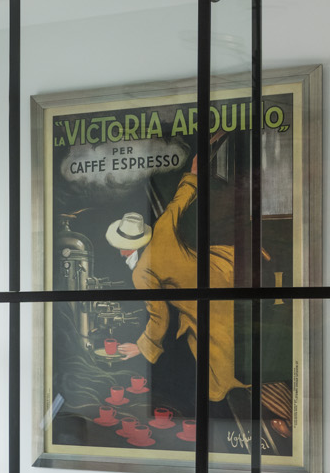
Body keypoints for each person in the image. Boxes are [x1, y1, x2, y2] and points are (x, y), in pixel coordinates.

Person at [107, 156, 255, 441]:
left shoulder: (141, 274)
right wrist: (193, 173)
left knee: (217, 369)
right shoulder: (162, 229)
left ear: (124, 249)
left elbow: (159, 318)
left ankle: (226, 411)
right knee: (202, 347)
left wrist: (141, 347)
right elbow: (179, 201)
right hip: (223, 266)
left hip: (210, 304)